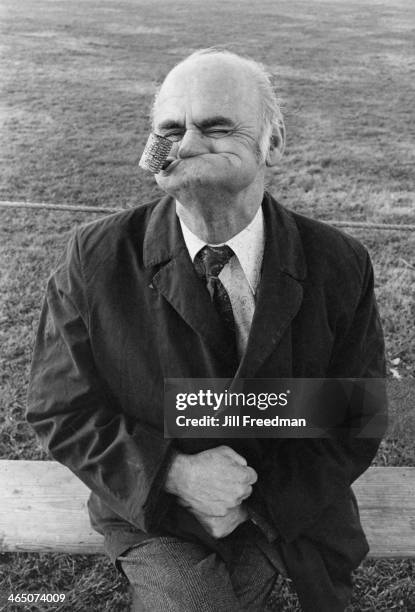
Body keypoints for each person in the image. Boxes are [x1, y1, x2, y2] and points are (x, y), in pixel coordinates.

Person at [27, 48, 387, 611]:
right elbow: (61, 408)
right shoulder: (94, 258)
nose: (188, 143)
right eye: (170, 130)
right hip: (154, 510)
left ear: (274, 141)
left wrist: (250, 498)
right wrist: (175, 474)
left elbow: (354, 414)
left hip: (290, 502)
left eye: (217, 127)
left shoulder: (340, 262)